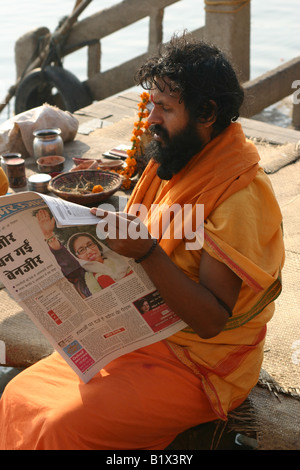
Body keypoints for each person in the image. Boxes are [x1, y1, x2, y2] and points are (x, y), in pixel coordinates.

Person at [0, 33, 284, 450]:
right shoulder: (172, 157)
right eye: (150, 104)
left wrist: (147, 252)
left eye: (165, 108)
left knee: (61, 429)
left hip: (197, 366)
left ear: (207, 113)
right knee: (17, 399)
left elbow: (210, 322)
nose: (151, 118)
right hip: (133, 335)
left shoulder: (238, 194)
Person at [36, 209, 131, 297]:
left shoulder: (117, 258)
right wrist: (49, 236)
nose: (89, 251)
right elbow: (67, 263)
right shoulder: (83, 275)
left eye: (90, 244)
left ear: (98, 245)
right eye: (81, 250)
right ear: (77, 257)